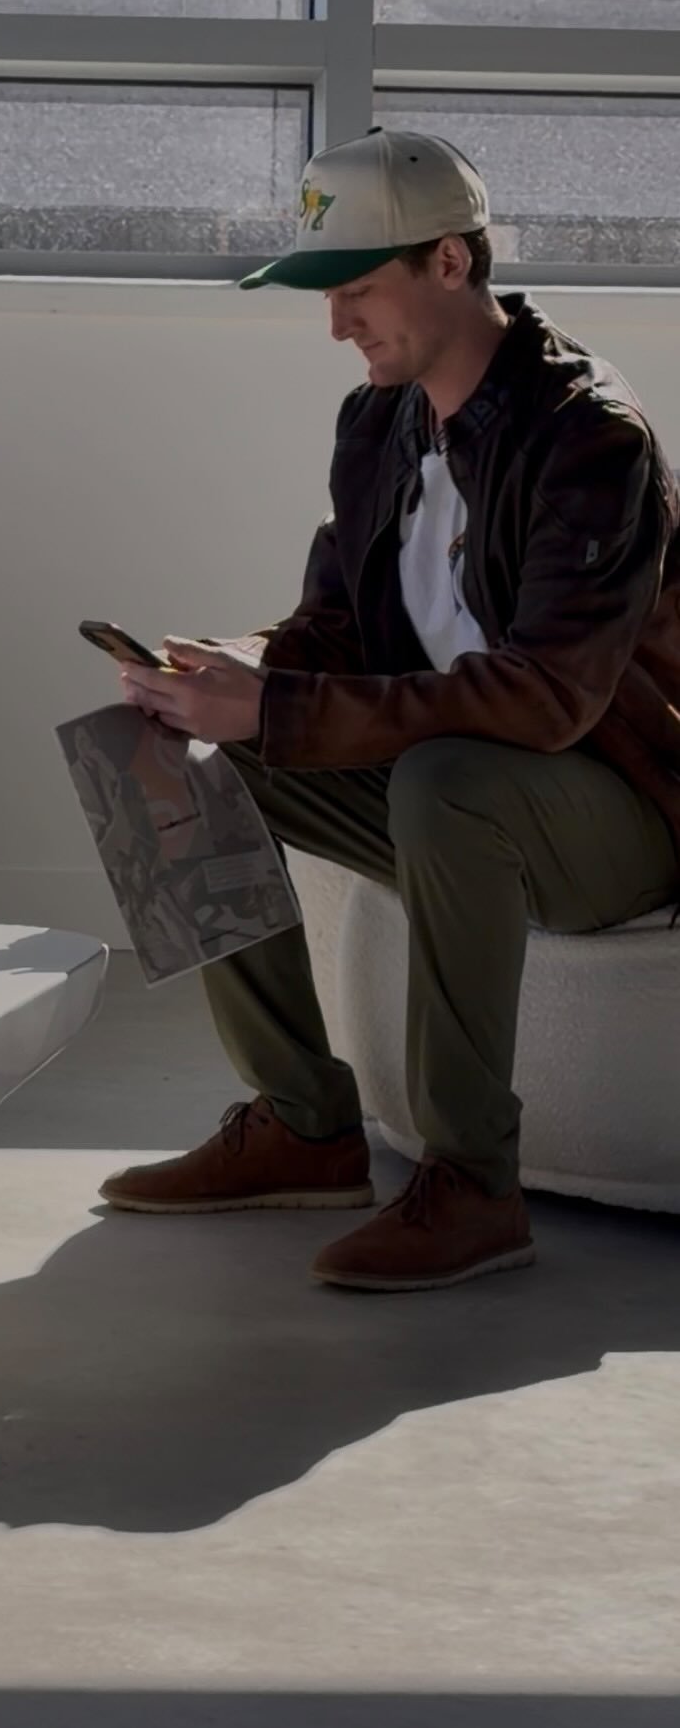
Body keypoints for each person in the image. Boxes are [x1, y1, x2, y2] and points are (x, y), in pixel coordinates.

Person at [101, 125, 680, 1294]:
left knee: (444, 778)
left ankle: (472, 1184)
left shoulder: (589, 436)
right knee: (155, 748)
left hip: (614, 811)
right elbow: (334, 629)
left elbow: (548, 697)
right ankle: (300, 1122)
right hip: (459, 794)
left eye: (356, 289)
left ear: (449, 263)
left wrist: (281, 705)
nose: (334, 325)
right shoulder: (378, 421)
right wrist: (233, 670)